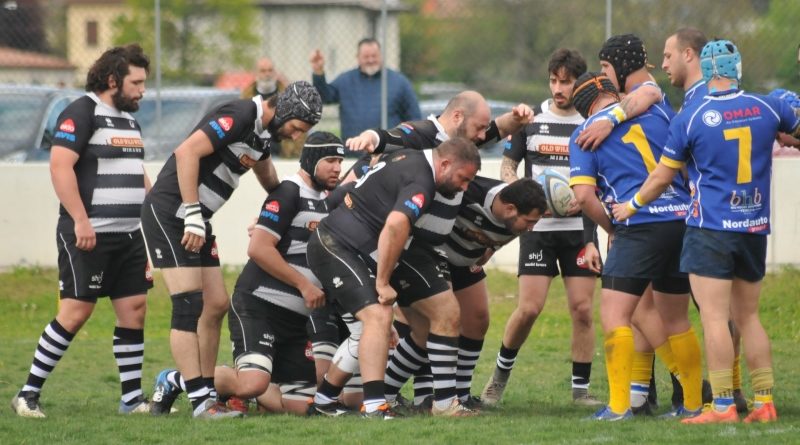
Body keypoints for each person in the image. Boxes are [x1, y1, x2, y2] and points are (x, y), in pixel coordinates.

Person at [613, 39, 800, 424]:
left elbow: (662, 177)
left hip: (710, 228)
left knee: (715, 319)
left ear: (707, 68)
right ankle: (765, 402)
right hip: (754, 226)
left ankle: (723, 406)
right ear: (737, 69)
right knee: (749, 318)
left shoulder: (692, 116)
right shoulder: (770, 106)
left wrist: (630, 206)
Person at [141, 81, 322, 419]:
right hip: (171, 213)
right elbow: (186, 152)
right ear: (283, 110)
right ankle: (201, 403)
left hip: (197, 218)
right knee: (188, 305)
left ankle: (195, 388)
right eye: (296, 127)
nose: (296, 137)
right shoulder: (240, 114)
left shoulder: (263, 135)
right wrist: (193, 212)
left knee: (216, 304)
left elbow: (271, 183)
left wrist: (276, 216)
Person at [11, 44, 152, 418]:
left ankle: (132, 400)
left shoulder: (128, 120)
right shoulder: (81, 112)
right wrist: (80, 220)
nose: (142, 90)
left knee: (134, 310)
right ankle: (27, 394)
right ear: (112, 80)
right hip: (89, 233)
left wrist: (154, 217)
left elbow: (138, 173)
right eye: (136, 82)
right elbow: (60, 167)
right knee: (75, 313)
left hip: (129, 235)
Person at [306, 138, 481, 418]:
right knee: (379, 317)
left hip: (346, 244)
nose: (464, 187)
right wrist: (383, 282)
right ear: (445, 163)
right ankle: (376, 406)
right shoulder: (422, 181)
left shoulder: (407, 156)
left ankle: (324, 401)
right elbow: (395, 225)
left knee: (367, 329)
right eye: (463, 179)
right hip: (336, 245)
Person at [568, 71, 695, 421]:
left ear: (582, 109)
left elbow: (583, 195)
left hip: (638, 223)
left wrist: (613, 227)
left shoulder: (585, 133)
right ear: (613, 94)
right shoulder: (656, 111)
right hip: (682, 220)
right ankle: (693, 401)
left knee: (614, 314)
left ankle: (619, 406)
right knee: (675, 318)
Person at [481, 48, 604, 407]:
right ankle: (497, 380)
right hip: (538, 230)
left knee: (582, 310)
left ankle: (580, 392)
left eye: (565, 82)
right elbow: (508, 164)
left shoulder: (590, 123)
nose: (558, 88)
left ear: (578, 83)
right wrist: (517, 194)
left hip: (580, 229)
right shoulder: (532, 121)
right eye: (554, 80)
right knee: (529, 309)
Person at [384, 176, 547, 412]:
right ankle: (418, 398)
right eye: (529, 221)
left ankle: (460, 395)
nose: (532, 228)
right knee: (442, 320)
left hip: (465, 260)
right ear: (510, 209)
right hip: (433, 255)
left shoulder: (516, 215)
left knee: (478, 320)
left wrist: (490, 247)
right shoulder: (469, 193)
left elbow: (497, 235)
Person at [310, 38, 421, 140]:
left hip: (389, 152)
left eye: (374, 56)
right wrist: (318, 72)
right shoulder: (345, 80)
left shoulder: (400, 82)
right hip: (353, 151)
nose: (370, 60)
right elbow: (324, 97)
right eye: (366, 57)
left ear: (381, 56)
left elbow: (414, 118)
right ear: (357, 57)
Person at [241, 56, 302, 158]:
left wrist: (294, 154)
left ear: (275, 72)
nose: (267, 74)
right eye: (263, 71)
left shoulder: (290, 96)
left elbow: (299, 126)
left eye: (270, 70)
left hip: (283, 154)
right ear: (256, 73)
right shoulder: (246, 98)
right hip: (253, 153)